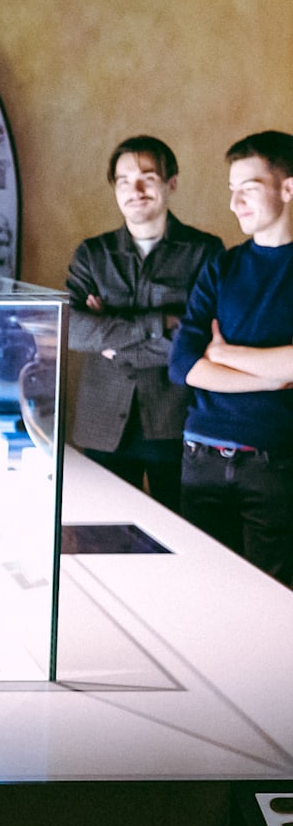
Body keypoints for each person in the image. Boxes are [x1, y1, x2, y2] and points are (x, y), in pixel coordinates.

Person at [65, 136, 220, 511]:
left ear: (171, 183)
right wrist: (160, 323)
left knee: (184, 540)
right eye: (123, 180)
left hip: (177, 421)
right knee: (105, 539)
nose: (135, 190)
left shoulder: (204, 250)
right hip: (104, 425)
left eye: (147, 178)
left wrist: (111, 338)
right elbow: (73, 329)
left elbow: (202, 339)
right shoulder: (93, 253)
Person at [168, 130, 293, 584]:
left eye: (249, 189)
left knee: (273, 599)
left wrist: (225, 353)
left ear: (288, 187)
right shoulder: (222, 265)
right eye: (232, 191)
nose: (235, 202)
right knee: (204, 593)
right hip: (200, 456)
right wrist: (270, 375)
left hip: (275, 464)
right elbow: (183, 365)